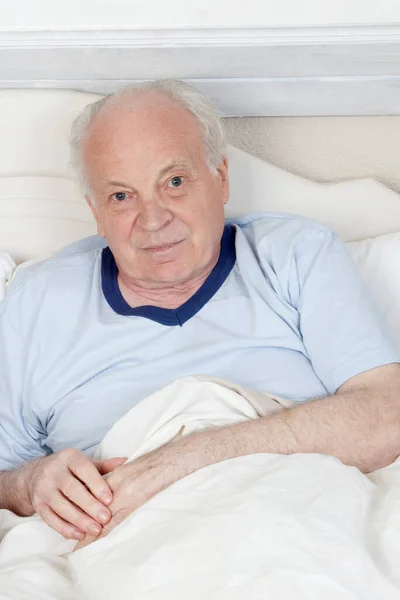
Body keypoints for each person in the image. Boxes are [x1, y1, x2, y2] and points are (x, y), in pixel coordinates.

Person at [0, 79, 399, 546]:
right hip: (128, 543)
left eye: (174, 182)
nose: (153, 219)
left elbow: (386, 413)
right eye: (121, 196)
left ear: (221, 178)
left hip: (297, 520)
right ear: (95, 211)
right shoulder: (38, 297)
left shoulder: (295, 256)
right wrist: (30, 484)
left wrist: (184, 460)